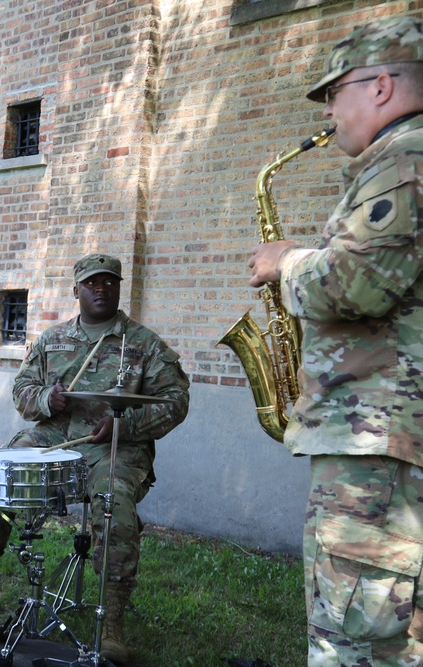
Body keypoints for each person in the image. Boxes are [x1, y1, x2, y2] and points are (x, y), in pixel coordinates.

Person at [246, 15, 423, 665]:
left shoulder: (405, 160)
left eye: (333, 90)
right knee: (397, 638)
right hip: (397, 442)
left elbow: (356, 282)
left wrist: (285, 261)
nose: (328, 108)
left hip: (378, 442)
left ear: (379, 86)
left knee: (352, 637)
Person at [0, 253, 190, 664]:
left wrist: (126, 425)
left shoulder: (143, 343)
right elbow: (22, 388)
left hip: (115, 443)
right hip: (56, 435)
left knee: (114, 499)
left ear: (118, 288)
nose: (101, 289)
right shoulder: (52, 340)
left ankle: (111, 622)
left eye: (109, 282)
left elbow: (176, 401)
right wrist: (45, 397)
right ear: (76, 290)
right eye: (92, 283)